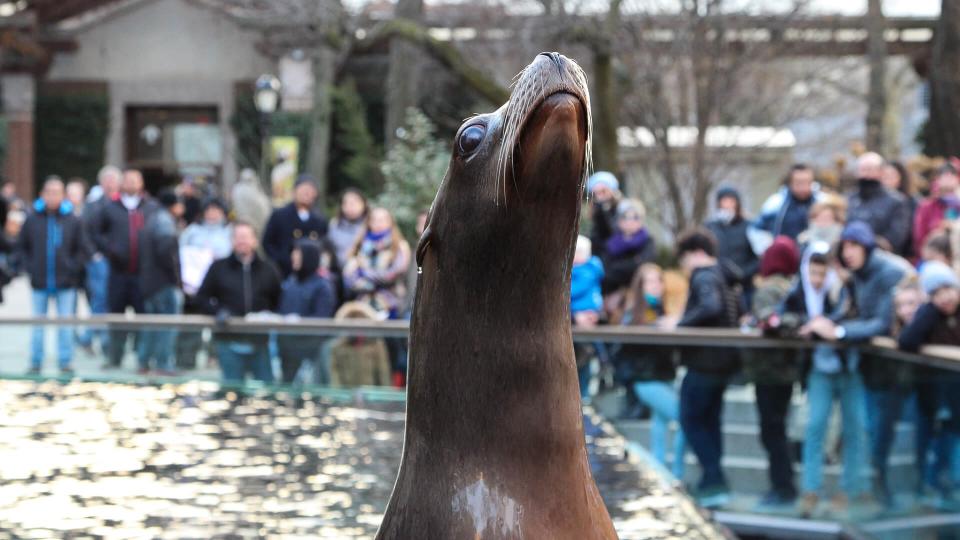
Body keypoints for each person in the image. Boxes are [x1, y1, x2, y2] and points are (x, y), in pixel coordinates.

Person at [799, 221, 908, 507]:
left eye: (853, 246)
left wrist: (838, 332)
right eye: (844, 246)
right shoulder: (855, 276)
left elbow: (881, 323)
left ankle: (858, 491)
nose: (848, 253)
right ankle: (815, 490)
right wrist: (823, 323)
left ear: (866, 247)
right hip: (842, 363)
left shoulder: (888, 273)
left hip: (878, 367)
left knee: (860, 430)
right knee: (818, 426)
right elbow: (847, 311)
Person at [790, 243, 867, 517]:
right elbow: (786, 313)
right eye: (813, 273)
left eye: (824, 272)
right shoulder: (800, 290)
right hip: (819, 369)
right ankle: (811, 490)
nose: (818, 279)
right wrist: (808, 323)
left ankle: (849, 490)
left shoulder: (847, 288)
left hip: (848, 368)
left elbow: (858, 316)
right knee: (815, 426)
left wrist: (829, 324)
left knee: (853, 429)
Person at [664, 228, 739, 507]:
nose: (684, 267)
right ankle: (712, 482)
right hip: (723, 362)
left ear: (695, 254)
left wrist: (679, 325)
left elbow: (710, 307)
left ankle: (715, 478)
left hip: (704, 363)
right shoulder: (725, 276)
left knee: (692, 419)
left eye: (684, 259)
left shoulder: (705, 276)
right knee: (710, 421)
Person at [742, 236, 802, 506]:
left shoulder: (768, 290)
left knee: (772, 431)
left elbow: (769, 321)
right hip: (787, 371)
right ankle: (785, 484)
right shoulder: (794, 286)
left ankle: (783, 488)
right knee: (778, 429)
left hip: (769, 372)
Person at [614, 263, 685, 478]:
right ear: (640, 285)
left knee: (660, 427)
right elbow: (628, 346)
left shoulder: (660, 309)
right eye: (650, 281)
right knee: (686, 420)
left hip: (664, 376)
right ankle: (674, 475)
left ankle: (660, 474)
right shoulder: (634, 313)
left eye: (658, 280)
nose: (656, 285)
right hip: (646, 378)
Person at [900, 262, 960, 505]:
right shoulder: (928, 315)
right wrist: (930, 310)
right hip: (933, 396)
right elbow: (907, 340)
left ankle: (946, 485)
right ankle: (927, 486)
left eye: (948, 290)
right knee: (929, 443)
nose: (944, 297)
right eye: (936, 293)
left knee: (950, 444)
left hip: (955, 398)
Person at [195, 221, 282, 383]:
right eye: (238, 237)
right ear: (232, 241)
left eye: (246, 237)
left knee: (266, 390)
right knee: (232, 390)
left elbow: (278, 300)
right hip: (229, 340)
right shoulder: (218, 267)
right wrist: (218, 311)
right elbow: (201, 298)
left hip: (260, 342)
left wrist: (268, 317)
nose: (242, 241)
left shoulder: (269, 269)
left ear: (254, 240)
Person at [19, 177, 85, 375]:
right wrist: (29, 267)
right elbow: (23, 247)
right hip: (39, 281)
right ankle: (35, 361)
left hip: (66, 282)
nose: (53, 196)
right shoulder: (32, 219)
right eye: (49, 192)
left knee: (65, 325)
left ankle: (65, 361)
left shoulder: (72, 219)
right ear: (43, 194)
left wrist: (73, 268)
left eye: (57, 192)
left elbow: (81, 249)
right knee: (38, 326)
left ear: (63, 195)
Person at [93, 168, 158, 368]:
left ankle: (143, 358)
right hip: (118, 273)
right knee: (116, 317)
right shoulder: (110, 207)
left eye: (135, 180)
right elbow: (96, 232)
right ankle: (114, 357)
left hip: (143, 274)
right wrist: (110, 249)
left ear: (141, 184)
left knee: (143, 317)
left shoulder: (151, 207)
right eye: (128, 180)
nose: (131, 184)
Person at [177, 198, 233, 370]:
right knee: (191, 324)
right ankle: (186, 360)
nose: (212, 214)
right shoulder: (192, 231)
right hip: (192, 287)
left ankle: (215, 357)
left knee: (219, 324)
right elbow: (181, 253)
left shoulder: (229, 232)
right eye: (209, 210)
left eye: (216, 210)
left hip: (220, 286)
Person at [277, 239, 337, 383]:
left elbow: (321, 319)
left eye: (298, 254)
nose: (294, 258)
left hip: (311, 350)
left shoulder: (323, 286)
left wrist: (298, 321)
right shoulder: (290, 282)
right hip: (288, 348)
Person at [137, 189, 183, 375]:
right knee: (167, 325)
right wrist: (176, 279)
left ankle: (144, 361)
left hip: (148, 282)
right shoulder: (165, 223)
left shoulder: (152, 219)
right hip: (163, 283)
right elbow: (166, 254)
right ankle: (164, 364)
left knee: (151, 324)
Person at [78, 165, 121, 354]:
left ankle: (91, 337)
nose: (110, 183)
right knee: (100, 299)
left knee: (112, 301)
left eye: (114, 180)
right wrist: (93, 255)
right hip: (99, 259)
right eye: (107, 180)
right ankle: (103, 342)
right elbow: (84, 232)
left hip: (120, 261)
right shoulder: (93, 205)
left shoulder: (124, 204)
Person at [343, 206, 411, 319]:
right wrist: (368, 284)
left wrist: (364, 272)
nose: (378, 223)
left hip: (391, 304)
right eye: (374, 220)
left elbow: (393, 274)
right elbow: (349, 276)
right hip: (362, 305)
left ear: (390, 222)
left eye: (382, 219)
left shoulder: (399, 246)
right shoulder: (360, 245)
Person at [847, 152, 912, 257]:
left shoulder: (897, 201)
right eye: (862, 169)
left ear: (881, 172)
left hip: (882, 258)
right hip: (850, 257)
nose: (866, 175)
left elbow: (895, 238)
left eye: (870, 169)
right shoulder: (850, 199)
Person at [262, 175, 328, 277]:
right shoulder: (279, 215)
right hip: (283, 271)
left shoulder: (319, 219)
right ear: (294, 192)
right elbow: (267, 242)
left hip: (311, 273)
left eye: (310, 190)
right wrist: (279, 260)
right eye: (302, 189)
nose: (306, 193)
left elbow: (324, 244)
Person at [600, 198, 656, 312]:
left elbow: (645, 265)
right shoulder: (611, 243)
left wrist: (620, 267)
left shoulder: (648, 241)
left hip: (641, 296)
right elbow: (605, 272)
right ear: (619, 220)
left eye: (635, 217)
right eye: (625, 217)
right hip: (612, 295)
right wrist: (634, 262)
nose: (630, 221)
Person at [707, 187, 759, 308]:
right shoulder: (710, 227)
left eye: (731, 201)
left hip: (744, 287)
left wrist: (743, 273)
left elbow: (757, 257)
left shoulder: (749, 226)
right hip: (718, 285)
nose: (727, 205)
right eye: (724, 201)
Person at [571, 235, 604, 402]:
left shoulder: (586, 271)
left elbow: (572, 292)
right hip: (576, 316)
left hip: (587, 313)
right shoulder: (580, 270)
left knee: (587, 354)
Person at [329, 301, 392, 387]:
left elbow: (383, 375)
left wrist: (385, 397)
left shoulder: (376, 345)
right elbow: (335, 378)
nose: (357, 327)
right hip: (347, 397)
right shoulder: (338, 347)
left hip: (372, 396)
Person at [756, 164, 822, 241]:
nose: (803, 187)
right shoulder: (775, 203)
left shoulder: (822, 202)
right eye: (798, 183)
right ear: (790, 183)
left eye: (807, 182)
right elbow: (757, 230)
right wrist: (769, 249)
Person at [913, 162, 960, 258]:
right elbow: (919, 238)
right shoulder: (927, 206)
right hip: (933, 258)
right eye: (944, 175)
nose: (948, 179)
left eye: (952, 175)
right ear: (937, 180)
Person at [328, 188, 368, 268]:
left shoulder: (371, 224)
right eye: (346, 203)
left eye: (354, 203)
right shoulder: (335, 224)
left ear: (364, 204)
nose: (350, 207)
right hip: (337, 269)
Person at [586, 171, 622, 260]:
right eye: (596, 193)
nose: (599, 196)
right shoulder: (593, 209)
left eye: (603, 191)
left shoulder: (621, 208)